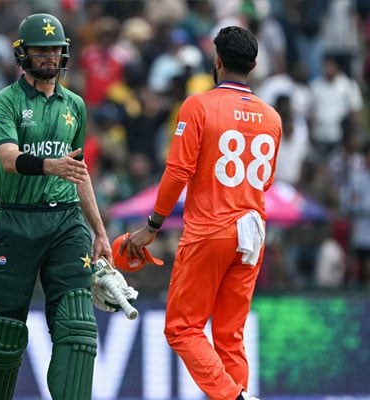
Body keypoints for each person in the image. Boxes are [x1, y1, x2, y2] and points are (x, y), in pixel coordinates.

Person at [120, 26, 281, 400]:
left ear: (217, 60)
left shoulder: (199, 105)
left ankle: (233, 398)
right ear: (254, 65)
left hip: (210, 228)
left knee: (181, 328)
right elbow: (266, 182)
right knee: (229, 336)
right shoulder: (272, 118)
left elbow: (177, 172)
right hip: (253, 230)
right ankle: (238, 393)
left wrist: (152, 226)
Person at [0, 13, 113, 400]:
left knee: (79, 326)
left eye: (55, 50)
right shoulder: (5, 101)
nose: (49, 57)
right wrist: (52, 165)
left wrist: (99, 231)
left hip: (66, 222)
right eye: (40, 50)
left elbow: (79, 173)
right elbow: (10, 159)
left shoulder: (75, 106)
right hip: (18, 220)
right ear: (23, 54)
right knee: (5, 332)